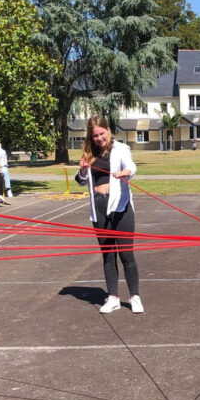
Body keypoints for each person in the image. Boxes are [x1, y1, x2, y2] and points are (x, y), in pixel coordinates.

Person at [75, 115, 143, 314]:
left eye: (101, 134)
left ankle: (134, 297)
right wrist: (82, 171)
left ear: (109, 130)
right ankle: (113, 296)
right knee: (107, 255)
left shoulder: (120, 149)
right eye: (95, 135)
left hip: (120, 206)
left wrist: (126, 172)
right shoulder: (89, 153)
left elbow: (132, 166)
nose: (99, 138)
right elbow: (81, 180)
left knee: (126, 254)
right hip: (99, 207)